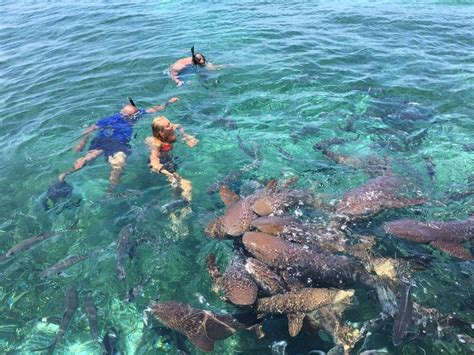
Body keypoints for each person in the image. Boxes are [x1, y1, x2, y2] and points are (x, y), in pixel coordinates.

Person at [58, 97, 179, 191]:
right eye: (132, 116)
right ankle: (64, 175)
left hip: (119, 144)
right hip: (105, 141)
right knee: (89, 158)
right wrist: (82, 142)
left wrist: (169, 102)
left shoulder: (135, 115)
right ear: (124, 114)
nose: (135, 117)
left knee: (119, 162)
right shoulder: (111, 119)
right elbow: (90, 128)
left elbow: (154, 109)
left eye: (136, 115)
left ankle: (111, 189)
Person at [145, 115, 198, 201]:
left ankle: (176, 203)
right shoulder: (156, 144)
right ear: (161, 132)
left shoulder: (170, 129)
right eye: (168, 125)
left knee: (179, 186)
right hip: (162, 164)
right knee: (186, 185)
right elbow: (153, 162)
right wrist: (168, 174)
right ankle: (178, 206)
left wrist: (187, 136)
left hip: (170, 159)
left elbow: (179, 125)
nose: (172, 126)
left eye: (169, 123)